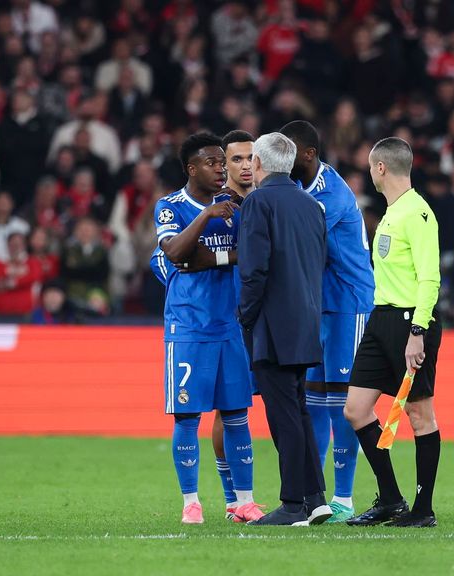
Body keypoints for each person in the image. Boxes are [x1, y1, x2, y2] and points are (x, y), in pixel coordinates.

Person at [154, 131, 263, 524]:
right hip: (187, 327)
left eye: (224, 163)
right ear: (192, 168)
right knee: (188, 418)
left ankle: (243, 502)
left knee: (236, 415)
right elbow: (177, 253)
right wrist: (205, 216)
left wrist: (211, 256)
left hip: (228, 327)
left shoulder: (237, 206)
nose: (222, 170)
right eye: (214, 163)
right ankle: (191, 503)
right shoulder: (170, 206)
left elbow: (248, 255)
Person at [343, 137, 442, 528]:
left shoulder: (417, 213)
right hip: (381, 318)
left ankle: (423, 509)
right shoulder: (393, 212)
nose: (370, 173)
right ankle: (390, 499)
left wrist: (418, 331)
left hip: (409, 323)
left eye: (371, 167)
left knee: (420, 415)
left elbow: (429, 278)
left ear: (380, 168)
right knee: (356, 409)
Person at [280, 120, 375, 522]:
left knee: (341, 404)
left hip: (347, 305)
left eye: (287, 155)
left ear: (308, 155)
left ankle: (344, 498)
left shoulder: (330, 193)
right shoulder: (305, 187)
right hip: (317, 306)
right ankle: (311, 494)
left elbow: (298, 233)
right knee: (314, 403)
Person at [238, 132, 331, 526]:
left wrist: (246, 315)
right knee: (298, 411)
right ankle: (315, 497)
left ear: (258, 163)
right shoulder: (312, 205)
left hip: (273, 324)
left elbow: (254, 267)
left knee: (283, 415)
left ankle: (292, 503)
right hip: (306, 320)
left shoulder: (259, 201)